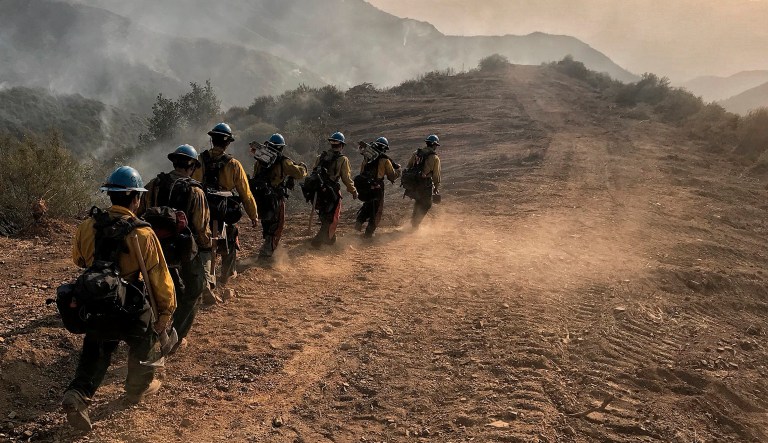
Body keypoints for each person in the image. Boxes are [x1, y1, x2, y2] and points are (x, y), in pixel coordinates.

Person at [62, 166, 176, 431]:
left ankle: (78, 394)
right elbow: (158, 277)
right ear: (136, 198)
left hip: (97, 301)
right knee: (144, 342)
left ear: (110, 195)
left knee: (96, 349)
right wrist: (166, 312)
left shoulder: (88, 226)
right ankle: (136, 389)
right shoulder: (143, 233)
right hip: (131, 305)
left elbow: (79, 260)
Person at [138, 144, 209, 352]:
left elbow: (140, 212)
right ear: (193, 167)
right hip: (184, 250)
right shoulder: (196, 191)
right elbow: (202, 228)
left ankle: (151, 333)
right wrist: (206, 245)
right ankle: (176, 336)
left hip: (154, 249)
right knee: (195, 288)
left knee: (154, 291)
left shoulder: (154, 184)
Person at [192, 123, 258, 301]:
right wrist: (253, 215)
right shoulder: (234, 165)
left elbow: (192, 185)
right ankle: (225, 276)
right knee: (231, 237)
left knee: (203, 245)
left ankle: (206, 280)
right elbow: (245, 192)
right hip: (224, 212)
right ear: (227, 143)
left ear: (212, 140)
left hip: (202, 210)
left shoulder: (199, 160)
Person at [250, 133, 308, 258]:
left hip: (260, 197)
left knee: (267, 223)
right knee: (277, 225)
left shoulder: (260, 159)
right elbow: (298, 173)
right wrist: (303, 167)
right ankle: (267, 254)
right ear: (281, 148)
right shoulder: (283, 162)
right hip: (275, 198)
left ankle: (267, 247)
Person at [307, 131, 357, 248]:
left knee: (325, 215)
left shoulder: (321, 157)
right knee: (332, 217)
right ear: (342, 145)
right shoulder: (343, 159)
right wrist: (353, 191)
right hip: (332, 192)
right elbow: (346, 178)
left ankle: (330, 240)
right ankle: (317, 242)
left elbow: (314, 172)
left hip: (318, 191)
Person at [354, 136, 400, 238]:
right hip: (378, 186)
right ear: (384, 148)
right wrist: (398, 171)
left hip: (366, 185)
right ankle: (368, 234)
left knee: (368, 205)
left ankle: (358, 224)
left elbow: (361, 172)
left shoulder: (367, 157)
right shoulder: (385, 160)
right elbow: (391, 175)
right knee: (377, 210)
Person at [405, 134, 442, 228]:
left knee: (418, 201)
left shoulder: (416, 153)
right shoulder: (435, 158)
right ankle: (415, 224)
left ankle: (413, 222)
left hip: (414, 182)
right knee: (427, 204)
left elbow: (409, 166)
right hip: (426, 183)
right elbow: (436, 175)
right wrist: (436, 187)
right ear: (434, 145)